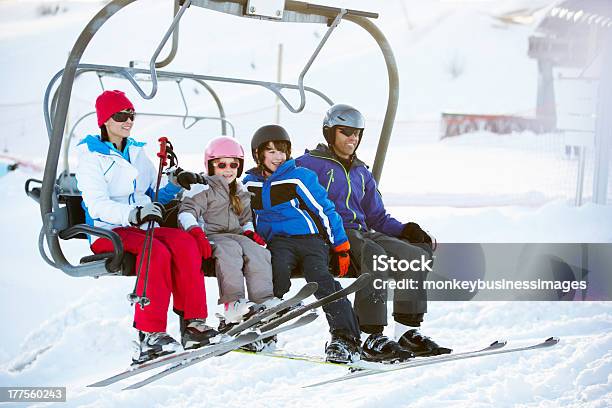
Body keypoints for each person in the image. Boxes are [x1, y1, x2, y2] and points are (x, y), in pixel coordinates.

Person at [296, 104, 451, 361]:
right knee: (375, 255)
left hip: (362, 231)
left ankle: (407, 331)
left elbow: (377, 216)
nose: (352, 138)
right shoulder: (309, 164)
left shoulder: (361, 171)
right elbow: (283, 187)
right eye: (345, 132)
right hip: (332, 233)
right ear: (329, 132)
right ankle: (370, 335)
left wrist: (405, 230)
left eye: (357, 133)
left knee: (414, 255)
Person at [75, 90, 218, 364]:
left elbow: (152, 195)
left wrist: (174, 184)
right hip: (108, 231)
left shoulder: (136, 152)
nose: (128, 120)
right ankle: (150, 333)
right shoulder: (91, 157)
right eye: (120, 115)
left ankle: (193, 323)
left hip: (141, 227)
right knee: (157, 251)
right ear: (104, 120)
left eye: (131, 115)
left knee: (184, 242)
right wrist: (133, 212)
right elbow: (96, 205)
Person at [242, 124, 362, 364]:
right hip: (278, 243)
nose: (278, 157)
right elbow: (243, 215)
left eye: (282, 151)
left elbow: (325, 210)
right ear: (258, 154)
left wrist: (340, 245)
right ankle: (266, 331)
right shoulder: (249, 184)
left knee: (321, 279)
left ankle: (345, 338)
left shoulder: (299, 176)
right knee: (273, 277)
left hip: (310, 239)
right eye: (271, 151)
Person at [177, 136, 280, 327]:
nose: (228, 170)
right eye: (221, 165)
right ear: (210, 166)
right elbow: (186, 212)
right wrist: (196, 233)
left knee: (259, 252)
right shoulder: (202, 187)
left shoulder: (240, 191)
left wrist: (249, 232)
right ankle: (233, 303)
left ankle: (263, 300)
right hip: (211, 236)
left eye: (233, 165)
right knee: (230, 251)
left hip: (236, 235)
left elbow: (245, 219)